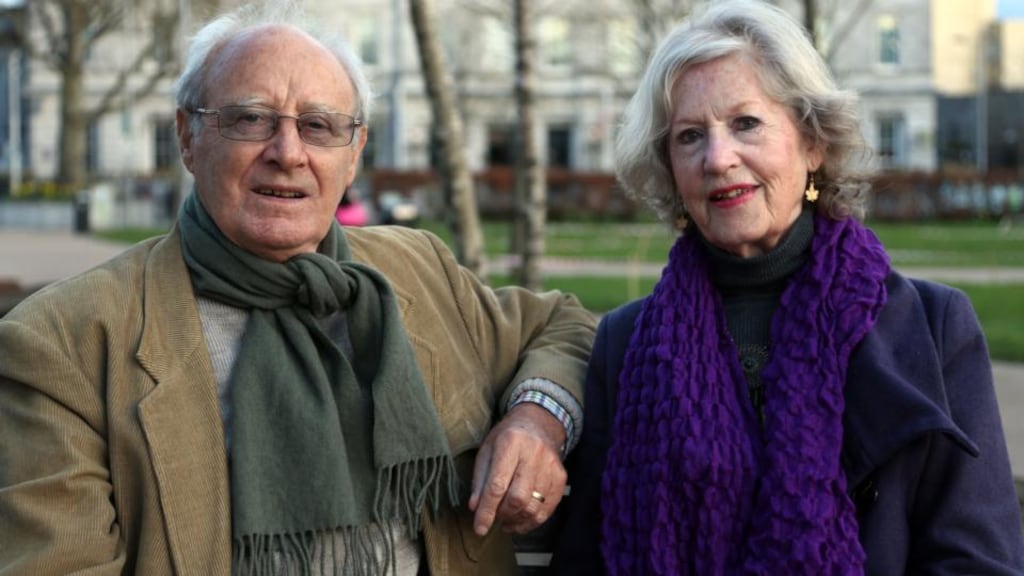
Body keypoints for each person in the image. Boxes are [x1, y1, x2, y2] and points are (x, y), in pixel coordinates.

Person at [0, 2, 595, 575]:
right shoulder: (64, 342)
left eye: (318, 126)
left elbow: (564, 326)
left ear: (355, 153)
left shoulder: (418, 267)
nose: (288, 153)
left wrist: (535, 420)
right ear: (187, 137)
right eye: (250, 119)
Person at [550, 1, 1024, 574]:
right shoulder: (625, 344)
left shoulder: (934, 326)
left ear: (813, 142)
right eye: (690, 137)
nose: (718, 158)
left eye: (746, 123)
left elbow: (977, 559)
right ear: (670, 170)